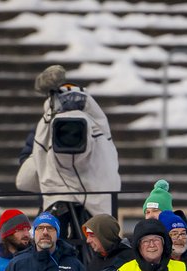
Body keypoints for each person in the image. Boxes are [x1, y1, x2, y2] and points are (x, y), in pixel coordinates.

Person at [16, 65, 121, 209]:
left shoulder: (96, 130)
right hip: (64, 207)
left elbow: (25, 177)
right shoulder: (46, 129)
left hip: (63, 207)